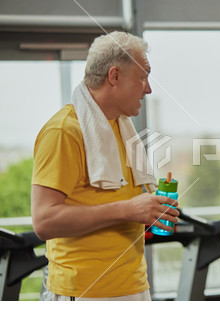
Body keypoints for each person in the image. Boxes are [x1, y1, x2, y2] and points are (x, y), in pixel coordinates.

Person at [31, 31, 179, 301]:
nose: (148, 88)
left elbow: (122, 208)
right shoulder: (64, 131)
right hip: (84, 292)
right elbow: (44, 221)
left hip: (133, 287)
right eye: (143, 77)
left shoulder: (122, 128)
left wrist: (149, 212)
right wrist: (127, 209)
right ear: (115, 76)